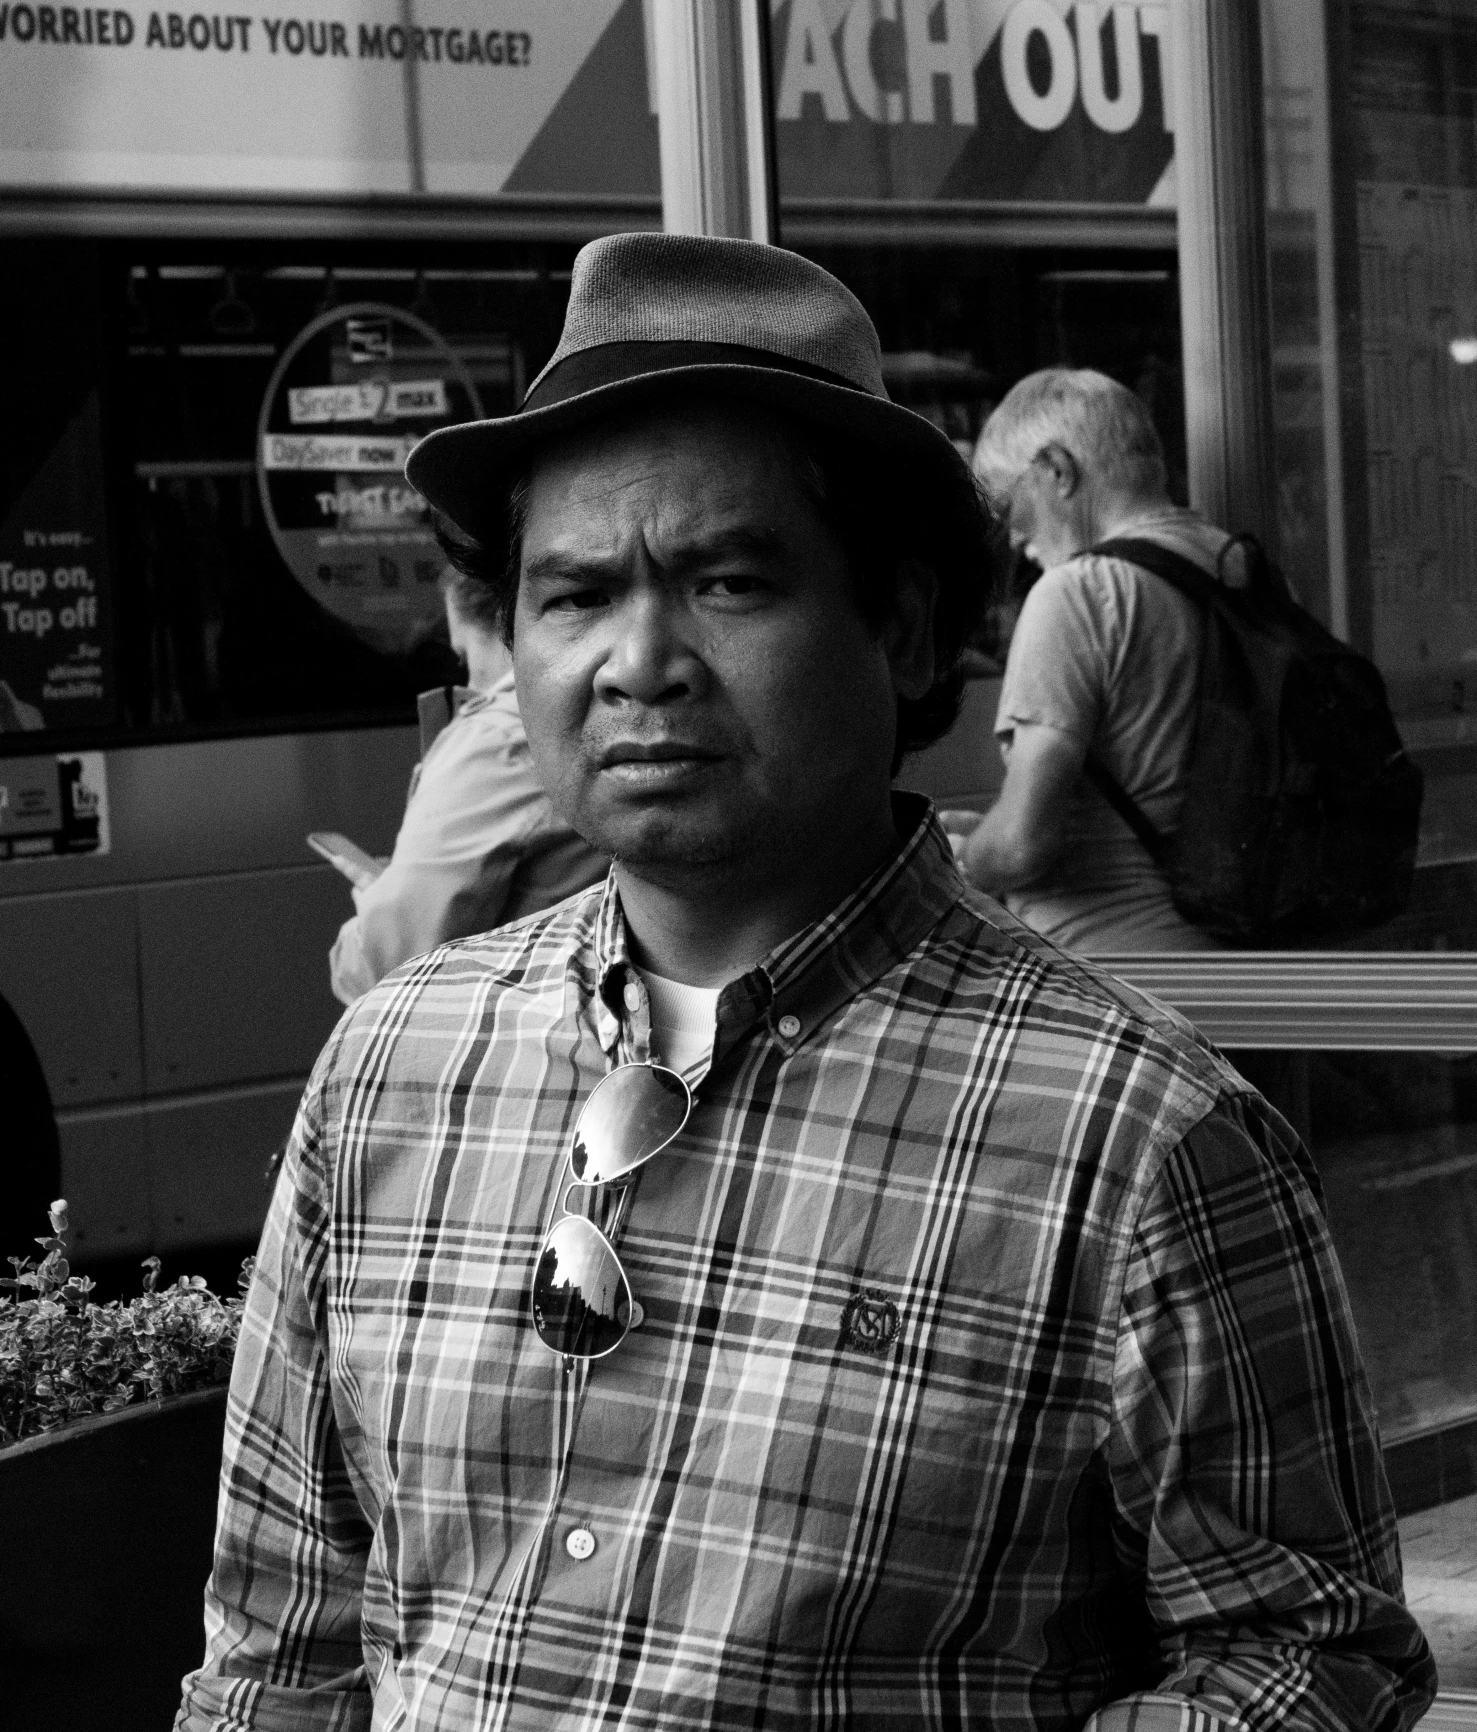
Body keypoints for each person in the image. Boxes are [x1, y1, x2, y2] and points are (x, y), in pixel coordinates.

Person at [177, 235, 1432, 1732]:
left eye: (726, 578)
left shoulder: (1142, 1137)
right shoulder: (391, 1067)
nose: (640, 661)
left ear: (899, 625)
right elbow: (277, 1645)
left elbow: (1309, 1652)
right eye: (573, 595)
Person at [947, 368, 1229, 953]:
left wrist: (963, 858)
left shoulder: (1077, 593)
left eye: (1006, 501)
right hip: (1243, 953)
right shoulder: (1239, 569)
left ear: (1056, 471)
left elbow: (1024, 845)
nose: (1015, 536)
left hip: (1116, 973)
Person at [327, 569, 604, 1003]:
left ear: (503, 622)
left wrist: (379, 904)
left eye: (465, 654)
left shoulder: (498, 738)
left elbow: (386, 967)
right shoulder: (603, 708)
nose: (470, 682)